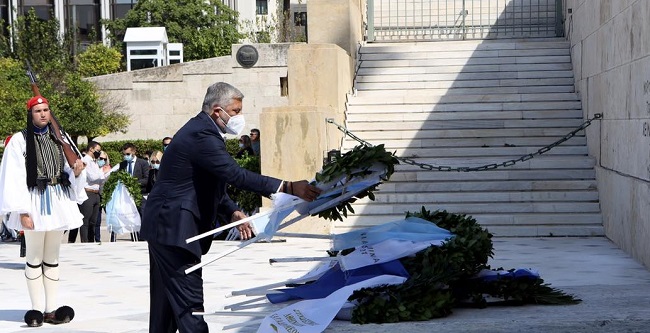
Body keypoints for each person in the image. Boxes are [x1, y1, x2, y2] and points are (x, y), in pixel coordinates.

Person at [140, 82, 321, 333]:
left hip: (165, 225)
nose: (239, 118)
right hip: (174, 228)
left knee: (166, 307)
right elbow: (234, 174)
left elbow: (208, 182)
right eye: (235, 111)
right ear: (217, 111)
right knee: (189, 306)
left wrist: (232, 211)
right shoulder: (201, 135)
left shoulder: (202, 131)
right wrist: (288, 186)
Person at [0, 95, 86, 327]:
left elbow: (70, 171)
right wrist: (22, 211)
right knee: (34, 257)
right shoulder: (19, 140)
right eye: (38, 110)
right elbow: (13, 177)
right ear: (31, 114)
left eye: (46, 109)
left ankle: (51, 309)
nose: (43, 114)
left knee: (53, 258)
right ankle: (37, 309)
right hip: (34, 201)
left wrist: (77, 171)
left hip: (58, 200)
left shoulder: (60, 138)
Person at [68, 141, 108, 243]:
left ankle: (91, 241)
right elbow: (93, 177)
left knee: (93, 221)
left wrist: (102, 175)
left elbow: (99, 179)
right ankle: (85, 242)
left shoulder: (94, 162)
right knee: (85, 220)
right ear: (91, 149)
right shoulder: (85, 160)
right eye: (97, 150)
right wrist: (105, 173)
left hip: (96, 192)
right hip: (88, 192)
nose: (99, 153)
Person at [94, 151, 111, 242]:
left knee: (111, 217)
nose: (102, 161)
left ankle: (112, 238)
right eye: (101, 158)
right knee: (97, 220)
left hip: (105, 196)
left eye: (104, 159)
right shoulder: (94, 168)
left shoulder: (108, 169)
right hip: (96, 195)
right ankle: (97, 239)